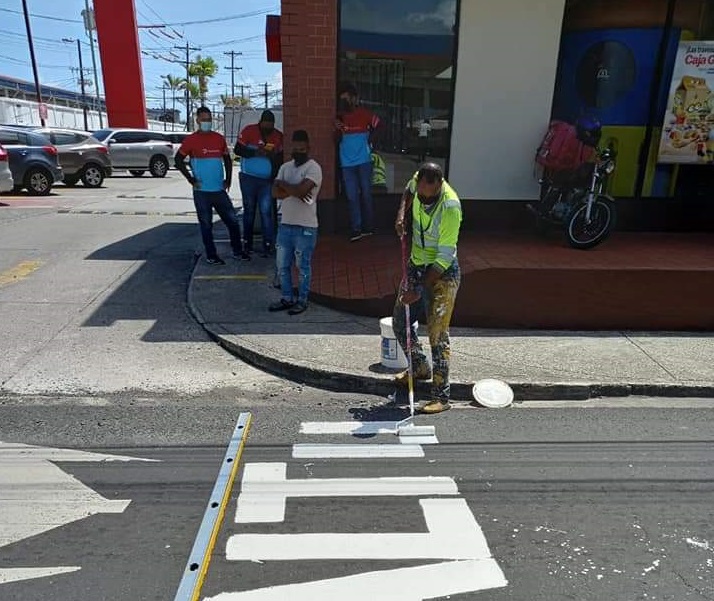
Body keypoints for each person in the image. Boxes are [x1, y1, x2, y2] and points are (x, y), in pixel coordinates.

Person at [393, 162, 462, 414]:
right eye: (420, 191)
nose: (422, 197)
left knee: (437, 334)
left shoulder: (450, 207)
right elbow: (409, 191)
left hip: (442, 274)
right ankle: (420, 366)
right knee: (400, 321)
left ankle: (441, 396)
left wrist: (419, 291)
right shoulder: (418, 182)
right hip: (416, 263)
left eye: (427, 194)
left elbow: (444, 259)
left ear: (439, 184)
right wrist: (402, 213)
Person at [175, 106, 245, 265]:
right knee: (206, 225)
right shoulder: (191, 140)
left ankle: (238, 251)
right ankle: (211, 255)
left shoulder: (219, 138)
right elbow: (178, 160)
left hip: (219, 191)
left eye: (209, 119)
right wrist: (190, 179)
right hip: (201, 192)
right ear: (197, 120)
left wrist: (228, 180)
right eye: (204, 119)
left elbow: (227, 159)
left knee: (233, 222)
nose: (207, 122)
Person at [269, 130, 323, 316]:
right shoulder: (285, 167)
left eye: (302, 149)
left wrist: (285, 186)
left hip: (306, 227)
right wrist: (295, 189)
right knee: (282, 265)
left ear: (308, 148)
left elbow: (301, 192)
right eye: (296, 148)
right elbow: (275, 193)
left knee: (303, 266)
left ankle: (302, 300)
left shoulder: (314, 168)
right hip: (286, 223)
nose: (298, 151)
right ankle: (286, 297)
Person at [235, 110, 284, 258]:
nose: (268, 127)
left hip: (267, 181)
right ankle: (247, 244)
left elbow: (281, 158)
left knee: (266, 212)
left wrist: (272, 155)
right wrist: (256, 152)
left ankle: (268, 244)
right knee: (249, 211)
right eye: (266, 124)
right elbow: (238, 149)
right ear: (261, 122)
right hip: (248, 177)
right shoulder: (249, 131)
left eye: (271, 125)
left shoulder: (278, 136)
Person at [336, 83, 381, 242]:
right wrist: (338, 129)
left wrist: (371, 141)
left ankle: (369, 227)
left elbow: (379, 124)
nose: (345, 101)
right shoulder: (338, 117)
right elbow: (335, 139)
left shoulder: (364, 114)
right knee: (352, 196)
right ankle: (356, 229)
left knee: (366, 194)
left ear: (354, 98)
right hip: (346, 163)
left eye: (347, 98)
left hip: (364, 161)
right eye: (342, 99)